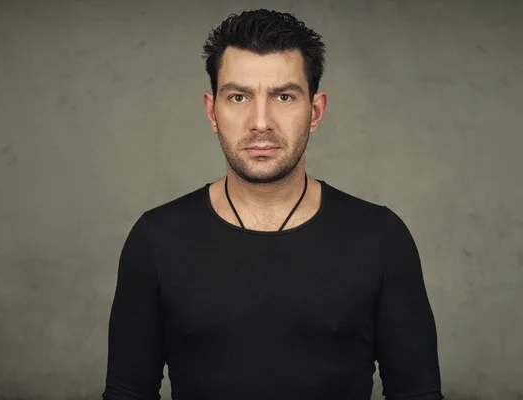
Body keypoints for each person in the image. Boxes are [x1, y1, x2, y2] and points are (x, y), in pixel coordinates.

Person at [102, 9, 443, 400]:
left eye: (283, 96)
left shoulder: (380, 237)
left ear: (314, 111)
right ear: (213, 111)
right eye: (238, 96)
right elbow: (127, 394)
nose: (260, 122)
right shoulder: (156, 238)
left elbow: (418, 394)